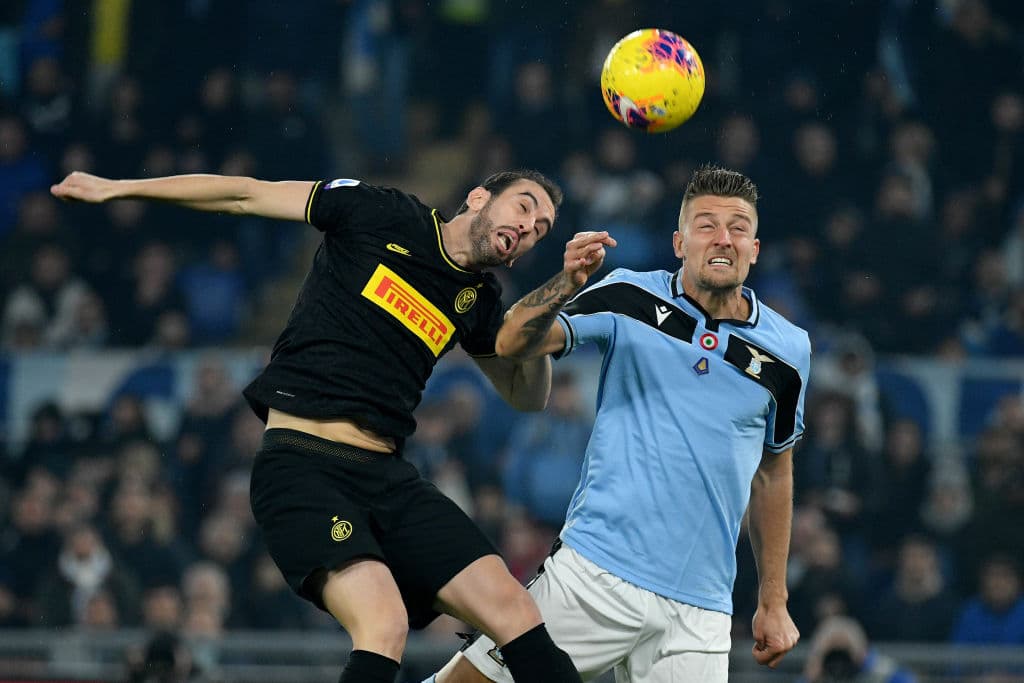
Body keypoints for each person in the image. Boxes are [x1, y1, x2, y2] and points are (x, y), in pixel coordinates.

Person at [50, 168, 600, 683]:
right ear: (480, 196)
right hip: (301, 466)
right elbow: (246, 193)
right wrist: (118, 188)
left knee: (513, 606)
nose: (528, 228)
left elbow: (529, 394)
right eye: (524, 207)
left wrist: (558, 294)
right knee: (383, 625)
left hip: (386, 476)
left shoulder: (478, 301)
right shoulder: (380, 212)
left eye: (540, 230)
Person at [426, 165, 809, 683]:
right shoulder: (628, 296)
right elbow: (511, 343)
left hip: (700, 613)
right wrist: (567, 281)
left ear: (755, 248)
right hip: (593, 577)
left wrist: (773, 600)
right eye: (706, 225)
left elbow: (773, 473)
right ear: (679, 242)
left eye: (738, 228)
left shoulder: (789, 352)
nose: (723, 239)